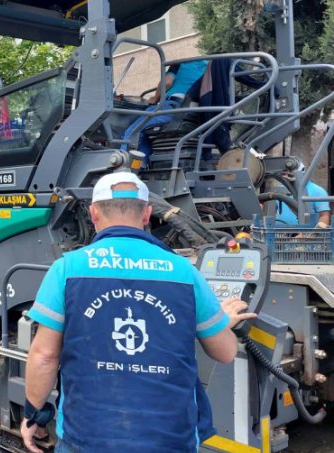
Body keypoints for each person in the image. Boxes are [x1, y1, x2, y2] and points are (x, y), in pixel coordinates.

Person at [21, 172, 256, 453]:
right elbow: (226, 353)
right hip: (169, 440)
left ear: (93, 213)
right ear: (146, 214)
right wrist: (221, 324)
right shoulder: (184, 272)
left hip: (87, 438)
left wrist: (34, 413)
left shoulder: (66, 269)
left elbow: (45, 356)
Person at [121, 60, 208, 164]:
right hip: (197, 113)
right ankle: (142, 166)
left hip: (173, 107)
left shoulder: (180, 63)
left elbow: (167, 82)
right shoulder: (209, 66)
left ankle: (122, 168)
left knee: (132, 132)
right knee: (146, 132)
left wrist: (155, 98)